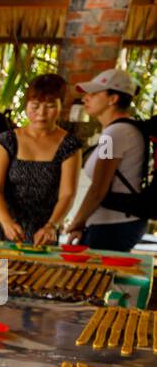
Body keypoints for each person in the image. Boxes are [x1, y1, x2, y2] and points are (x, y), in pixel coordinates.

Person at [0, 74, 82, 245]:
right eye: (35, 106)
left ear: (60, 106)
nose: (41, 113)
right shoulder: (7, 140)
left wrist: (52, 225)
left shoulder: (69, 145)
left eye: (50, 106)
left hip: (42, 233)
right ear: (26, 105)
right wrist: (6, 222)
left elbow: (67, 194)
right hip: (2, 227)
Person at [64, 69, 148, 252]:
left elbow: (98, 189)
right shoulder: (119, 131)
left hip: (112, 226)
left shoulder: (114, 135)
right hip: (114, 223)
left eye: (93, 94)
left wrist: (77, 222)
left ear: (113, 99)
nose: (86, 98)